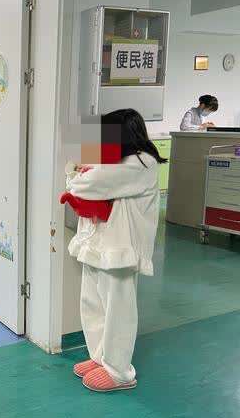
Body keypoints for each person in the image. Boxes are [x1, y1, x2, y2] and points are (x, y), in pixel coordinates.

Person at [65, 109, 165, 392]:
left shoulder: (141, 162)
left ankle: (119, 371)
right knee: (93, 303)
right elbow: (80, 178)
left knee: (117, 309)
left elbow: (84, 185)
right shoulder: (115, 161)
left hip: (120, 248)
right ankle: (100, 358)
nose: (99, 140)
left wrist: (79, 174)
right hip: (98, 245)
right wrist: (80, 172)